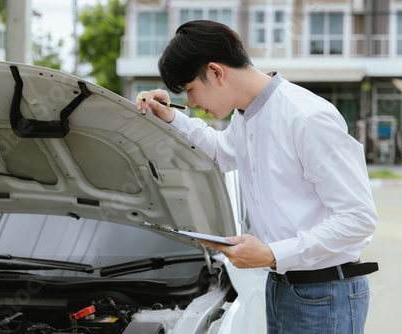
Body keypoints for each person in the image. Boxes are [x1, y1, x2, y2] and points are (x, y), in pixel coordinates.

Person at [136, 20, 378, 333]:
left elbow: (359, 218)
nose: (192, 103)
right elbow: (221, 153)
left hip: (324, 293)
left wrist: (272, 253)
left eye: (191, 90)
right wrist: (170, 116)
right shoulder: (247, 116)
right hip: (281, 286)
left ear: (215, 72)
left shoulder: (306, 117)